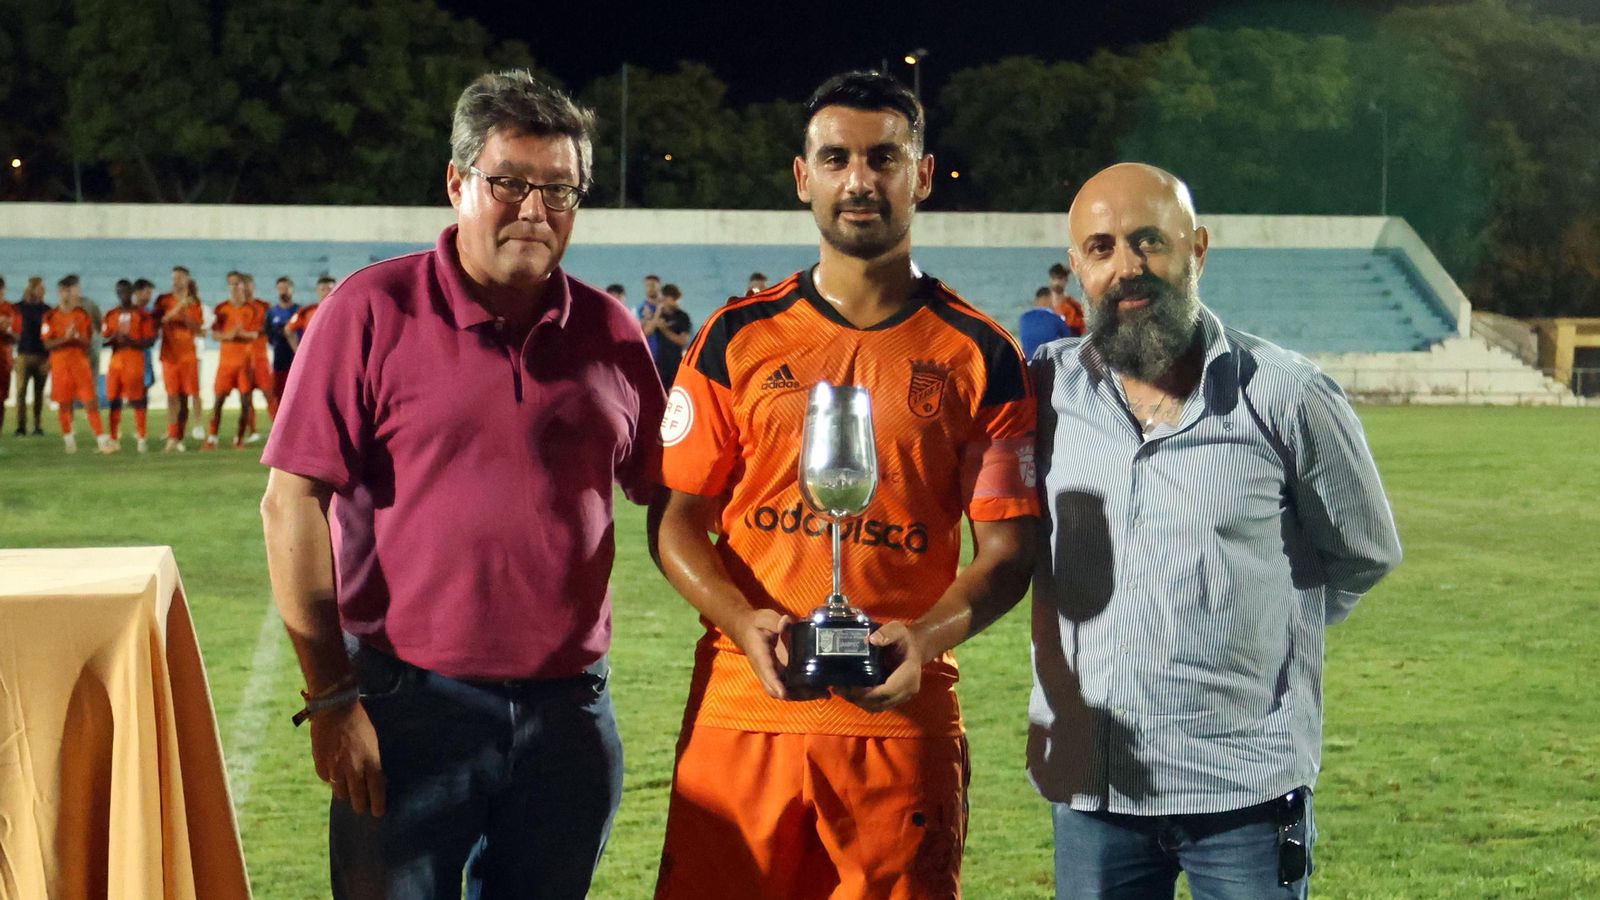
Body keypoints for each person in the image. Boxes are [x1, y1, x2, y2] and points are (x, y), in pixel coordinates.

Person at [260, 68, 664, 899]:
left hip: (569, 713)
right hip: (409, 706)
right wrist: (333, 697)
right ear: (456, 183)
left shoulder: (610, 330)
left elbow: (670, 497)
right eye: (509, 182)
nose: (534, 209)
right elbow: (290, 502)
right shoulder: (371, 310)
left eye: (559, 189)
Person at [650, 70, 1038, 899]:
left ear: (922, 175)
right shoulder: (734, 340)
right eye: (836, 158)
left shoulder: (982, 356)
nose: (859, 179)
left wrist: (925, 639)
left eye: (883, 157)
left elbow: (1009, 548)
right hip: (743, 711)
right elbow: (677, 520)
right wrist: (741, 620)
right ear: (804, 178)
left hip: (896, 723)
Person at [1029, 163, 1403, 900]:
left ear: (1197, 249)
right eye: (1102, 248)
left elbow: (1362, 552)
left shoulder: (1287, 394)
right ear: (1077, 269)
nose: (1128, 268)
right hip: (1094, 786)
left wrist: (1257, 628)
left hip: (1245, 789)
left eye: (1149, 242)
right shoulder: (1046, 391)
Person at [40, 275, 114, 454]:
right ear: (61, 292)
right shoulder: (50, 316)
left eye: (73, 290)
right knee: (64, 403)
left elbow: (88, 342)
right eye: (68, 291)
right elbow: (47, 343)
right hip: (60, 365)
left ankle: (101, 440)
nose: (72, 294)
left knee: (90, 401)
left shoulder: (82, 315)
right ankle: (69, 440)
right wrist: (65, 339)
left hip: (80, 364)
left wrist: (76, 337)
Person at [203, 271, 263, 450]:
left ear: (243, 286)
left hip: (245, 363)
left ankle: (239, 438)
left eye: (237, 283)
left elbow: (255, 334)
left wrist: (240, 334)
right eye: (231, 284)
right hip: (226, 364)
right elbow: (214, 335)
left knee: (245, 402)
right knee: (218, 401)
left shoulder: (253, 309)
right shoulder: (221, 309)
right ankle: (212, 438)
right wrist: (231, 335)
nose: (235, 287)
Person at [102, 279, 158, 452]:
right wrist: (114, 339)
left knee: (138, 400)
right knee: (114, 400)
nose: (123, 295)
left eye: (126, 291)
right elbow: (104, 339)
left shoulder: (142, 315)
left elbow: (150, 340)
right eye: (120, 292)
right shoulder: (111, 314)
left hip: (135, 361)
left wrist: (131, 341)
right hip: (116, 362)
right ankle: (113, 438)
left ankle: (141, 438)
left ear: (132, 292)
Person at [155, 267, 206, 451]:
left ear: (187, 280)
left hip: (188, 356)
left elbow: (198, 329)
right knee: (171, 396)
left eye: (180, 278)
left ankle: (179, 437)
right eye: (174, 278)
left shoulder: (195, 303)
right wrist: (179, 306)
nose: (176, 281)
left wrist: (186, 316)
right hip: (169, 356)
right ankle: (171, 436)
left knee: (186, 397)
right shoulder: (164, 300)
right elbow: (162, 320)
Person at [12, 276, 49, 436]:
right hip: (23, 354)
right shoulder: (18, 308)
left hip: (41, 355)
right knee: (20, 392)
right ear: (32, 289)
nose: (43, 291)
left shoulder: (47, 310)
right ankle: (21, 426)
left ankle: (37, 426)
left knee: (38, 393)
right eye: (40, 288)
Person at [647, 282, 691, 388]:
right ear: (665, 299)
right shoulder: (658, 316)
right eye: (674, 300)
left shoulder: (682, 316)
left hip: (676, 363)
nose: (677, 303)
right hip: (659, 364)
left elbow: (683, 341)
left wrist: (665, 330)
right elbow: (647, 332)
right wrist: (657, 314)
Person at [266, 276, 301, 401]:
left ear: (292, 290)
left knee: (299, 395)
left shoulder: (300, 311)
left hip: (298, 361)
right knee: (279, 396)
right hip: (279, 360)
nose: (283, 291)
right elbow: (269, 336)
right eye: (280, 288)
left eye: (286, 288)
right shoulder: (271, 313)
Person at [1019, 285, 1073, 360]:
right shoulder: (1056, 319)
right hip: (1048, 364)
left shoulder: (1023, 318)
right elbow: (1070, 340)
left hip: (1027, 363)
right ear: (1048, 299)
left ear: (1036, 300)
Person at [1047, 262, 1085, 337]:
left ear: (1066, 280)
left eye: (1060, 278)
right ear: (1050, 280)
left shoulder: (1074, 307)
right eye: (1053, 278)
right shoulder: (1044, 305)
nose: (1057, 282)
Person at [0, 277, 14, 437]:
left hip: (3, 358)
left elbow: (17, 335)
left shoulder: (9, 309)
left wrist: (5, 330)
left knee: (1, 399)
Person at [637, 273, 662, 355]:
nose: (650, 288)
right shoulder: (642, 309)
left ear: (659, 286)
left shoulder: (667, 307)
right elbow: (646, 332)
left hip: (669, 357)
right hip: (651, 354)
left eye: (652, 285)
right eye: (647, 286)